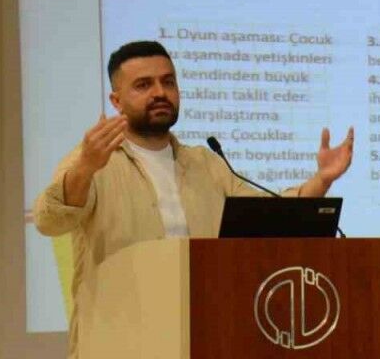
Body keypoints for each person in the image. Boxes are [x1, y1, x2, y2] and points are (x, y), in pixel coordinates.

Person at [33, 40, 354, 358]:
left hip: (201, 337)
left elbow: (268, 217)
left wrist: (321, 179)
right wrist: (85, 168)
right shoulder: (94, 160)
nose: (160, 93)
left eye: (168, 82)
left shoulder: (205, 163)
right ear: (116, 101)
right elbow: (50, 220)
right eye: (143, 85)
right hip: (121, 342)